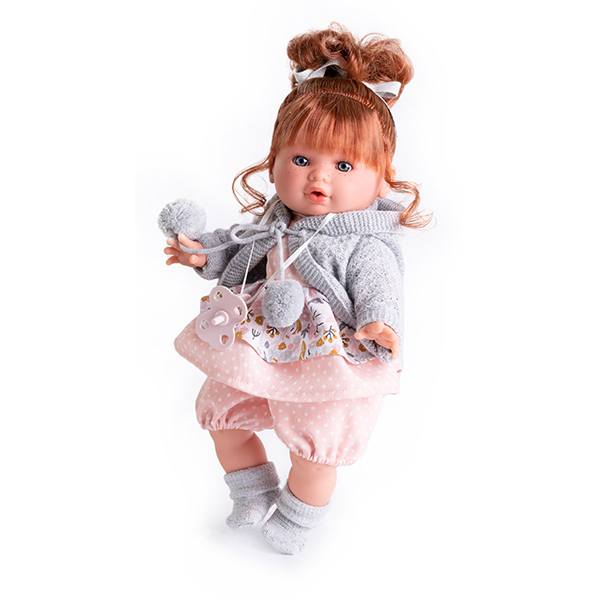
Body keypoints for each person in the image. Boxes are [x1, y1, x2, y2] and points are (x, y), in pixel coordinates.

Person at [161, 23, 429, 555]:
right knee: (222, 417)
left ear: (382, 177)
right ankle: (253, 489)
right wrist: (203, 254)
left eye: (344, 165)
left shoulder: (365, 242)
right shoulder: (276, 220)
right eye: (302, 160)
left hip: (327, 357)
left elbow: (379, 284)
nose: (318, 179)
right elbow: (240, 246)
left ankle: (299, 516)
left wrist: (379, 322)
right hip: (258, 343)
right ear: (275, 160)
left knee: (314, 450)